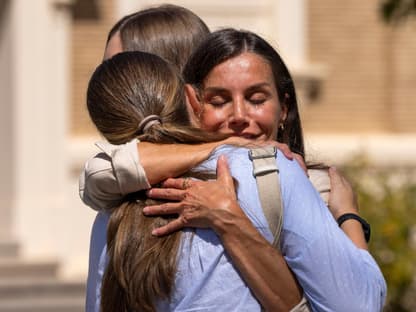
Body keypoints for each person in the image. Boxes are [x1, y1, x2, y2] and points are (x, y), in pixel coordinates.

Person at [80, 5, 382, 311]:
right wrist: (349, 217)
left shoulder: (114, 210)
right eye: (220, 100)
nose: (239, 116)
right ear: (192, 100)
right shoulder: (120, 201)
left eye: (256, 98)